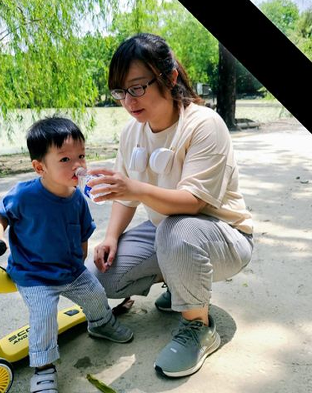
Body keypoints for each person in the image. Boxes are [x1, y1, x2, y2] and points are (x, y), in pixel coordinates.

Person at [85, 33, 254, 378]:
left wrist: (133, 186)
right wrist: (111, 237)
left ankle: (199, 326)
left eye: (137, 87)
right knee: (100, 277)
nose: (128, 101)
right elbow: (127, 198)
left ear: (170, 76)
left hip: (224, 236)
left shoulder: (204, 124)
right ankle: (179, 283)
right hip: (168, 233)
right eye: (120, 91)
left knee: (177, 231)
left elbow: (193, 202)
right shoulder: (132, 132)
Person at [0, 117, 133, 393]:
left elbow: (83, 234)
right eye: (65, 159)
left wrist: (81, 262)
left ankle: (101, 324)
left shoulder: (78, 198)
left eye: (81, 156)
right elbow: (1, 213)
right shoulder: (25, 195)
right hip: (34, 275)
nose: (78, 165)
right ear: (40, 167)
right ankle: (43, 367)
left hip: (71, 270)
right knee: (44, 315)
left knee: (96, 295)